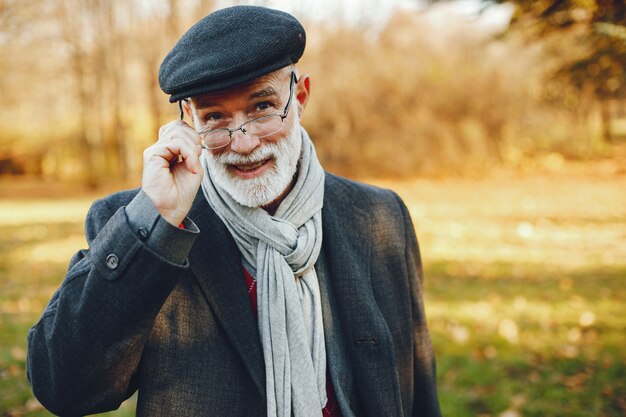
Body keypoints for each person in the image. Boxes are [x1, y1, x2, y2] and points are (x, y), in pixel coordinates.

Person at [26, 5, 441, 417]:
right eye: (215, 116)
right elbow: (64, 388)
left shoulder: (380, 216)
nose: (243, 144)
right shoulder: (145, 223)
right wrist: (156, 219)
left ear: (300, 97)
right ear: (189, 121)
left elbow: (419, 388)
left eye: (262, 107)